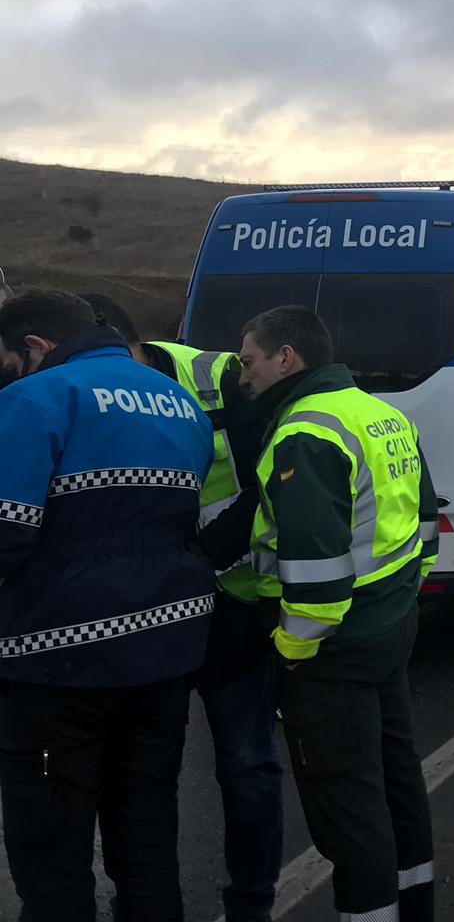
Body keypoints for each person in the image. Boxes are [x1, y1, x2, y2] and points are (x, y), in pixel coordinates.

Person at [0, 289, 215, 921]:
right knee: (146, 837)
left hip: (56, 664)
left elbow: (5, 535)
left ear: (35, 347)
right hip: (165, 651)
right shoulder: (179, 400)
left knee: (52, 853)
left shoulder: (35, 399)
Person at [81, 293, 282, 922]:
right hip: (148, 615)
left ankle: (250, 904)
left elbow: (267, 486)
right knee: (143, 774)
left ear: (123, 342)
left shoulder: (219, 379)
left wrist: (199, 559)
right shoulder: (80, 399)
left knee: (245, 766)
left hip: (231, 603)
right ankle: (141, 898)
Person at [237, 305, 439, 922]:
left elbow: (318, 578)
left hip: (333, 650)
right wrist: (399, 600)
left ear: (285, 358)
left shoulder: (306, 430)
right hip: (390, 625)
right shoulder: (380, 412)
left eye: (249, 362)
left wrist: (289, 655)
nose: (243, 378)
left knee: (349, 810)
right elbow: (426, 526)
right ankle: (416, 905)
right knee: (397, 779)